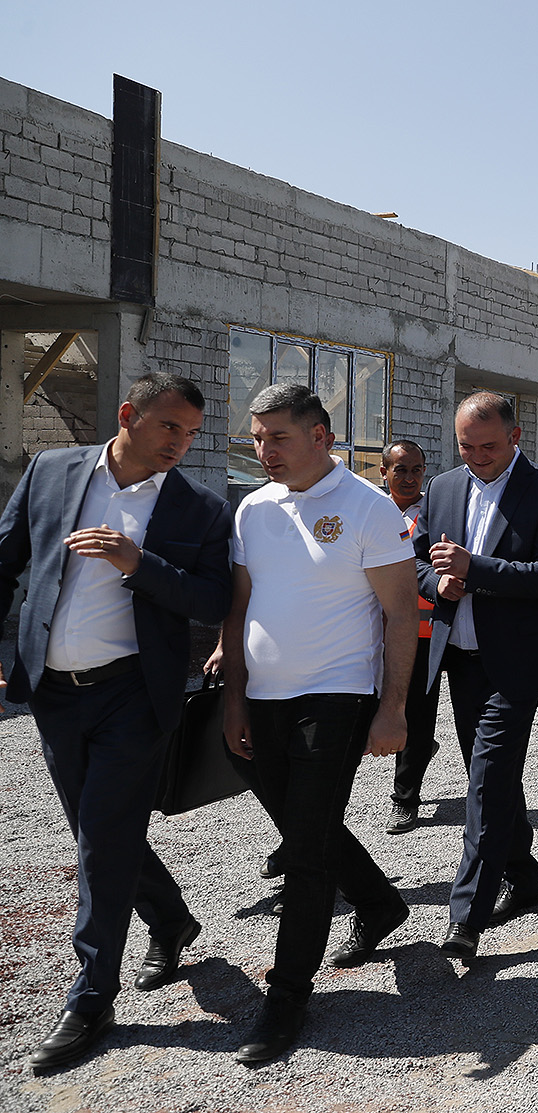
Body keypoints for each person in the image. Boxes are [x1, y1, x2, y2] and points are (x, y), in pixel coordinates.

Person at [0, 373, 231, 1073]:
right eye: (169, 426)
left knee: (102, 840)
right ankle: (172, 919)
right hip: (53, 693)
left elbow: (212, 599)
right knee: (100, 830)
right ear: (128, 414)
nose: (180, 443)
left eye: (190, 433)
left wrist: (139, 563)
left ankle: (92, 996)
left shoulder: (199, 508)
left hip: (133, 696)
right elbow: (6, 559)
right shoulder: (52, 469)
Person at [220, 383, 417, 1064]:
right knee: (309, 825)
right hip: (262, 697)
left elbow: (400, 613)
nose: (264, 450)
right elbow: (239, 608)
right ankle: (378, 900)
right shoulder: (253, 508)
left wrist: (393, 707)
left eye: (278, 437)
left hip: (335, 697)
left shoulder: (367, 508)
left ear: (320, 437)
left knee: (304, 851)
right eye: (257, 437)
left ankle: (286, 997)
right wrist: (234, 698)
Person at [414, 392, 538, 960]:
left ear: (515, 437)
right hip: (460, 660)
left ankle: (466, 919)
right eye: (466, 446)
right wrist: (439, 583)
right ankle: (523, 874)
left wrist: (474, 569)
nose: (478, 456)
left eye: (488, 446)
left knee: (484, 783)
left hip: (514, 666)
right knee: (494, 776)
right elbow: (417, 561)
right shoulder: (442, 488)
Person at [382, 440, 445, 835]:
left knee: (417, 717)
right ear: (384, 471)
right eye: (400, 469)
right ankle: (419, 749)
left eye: (416, 470)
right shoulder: (372, 512)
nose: (409, 478)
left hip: (427, 634)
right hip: (380, 633)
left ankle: (405, 800)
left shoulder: (436, 512)